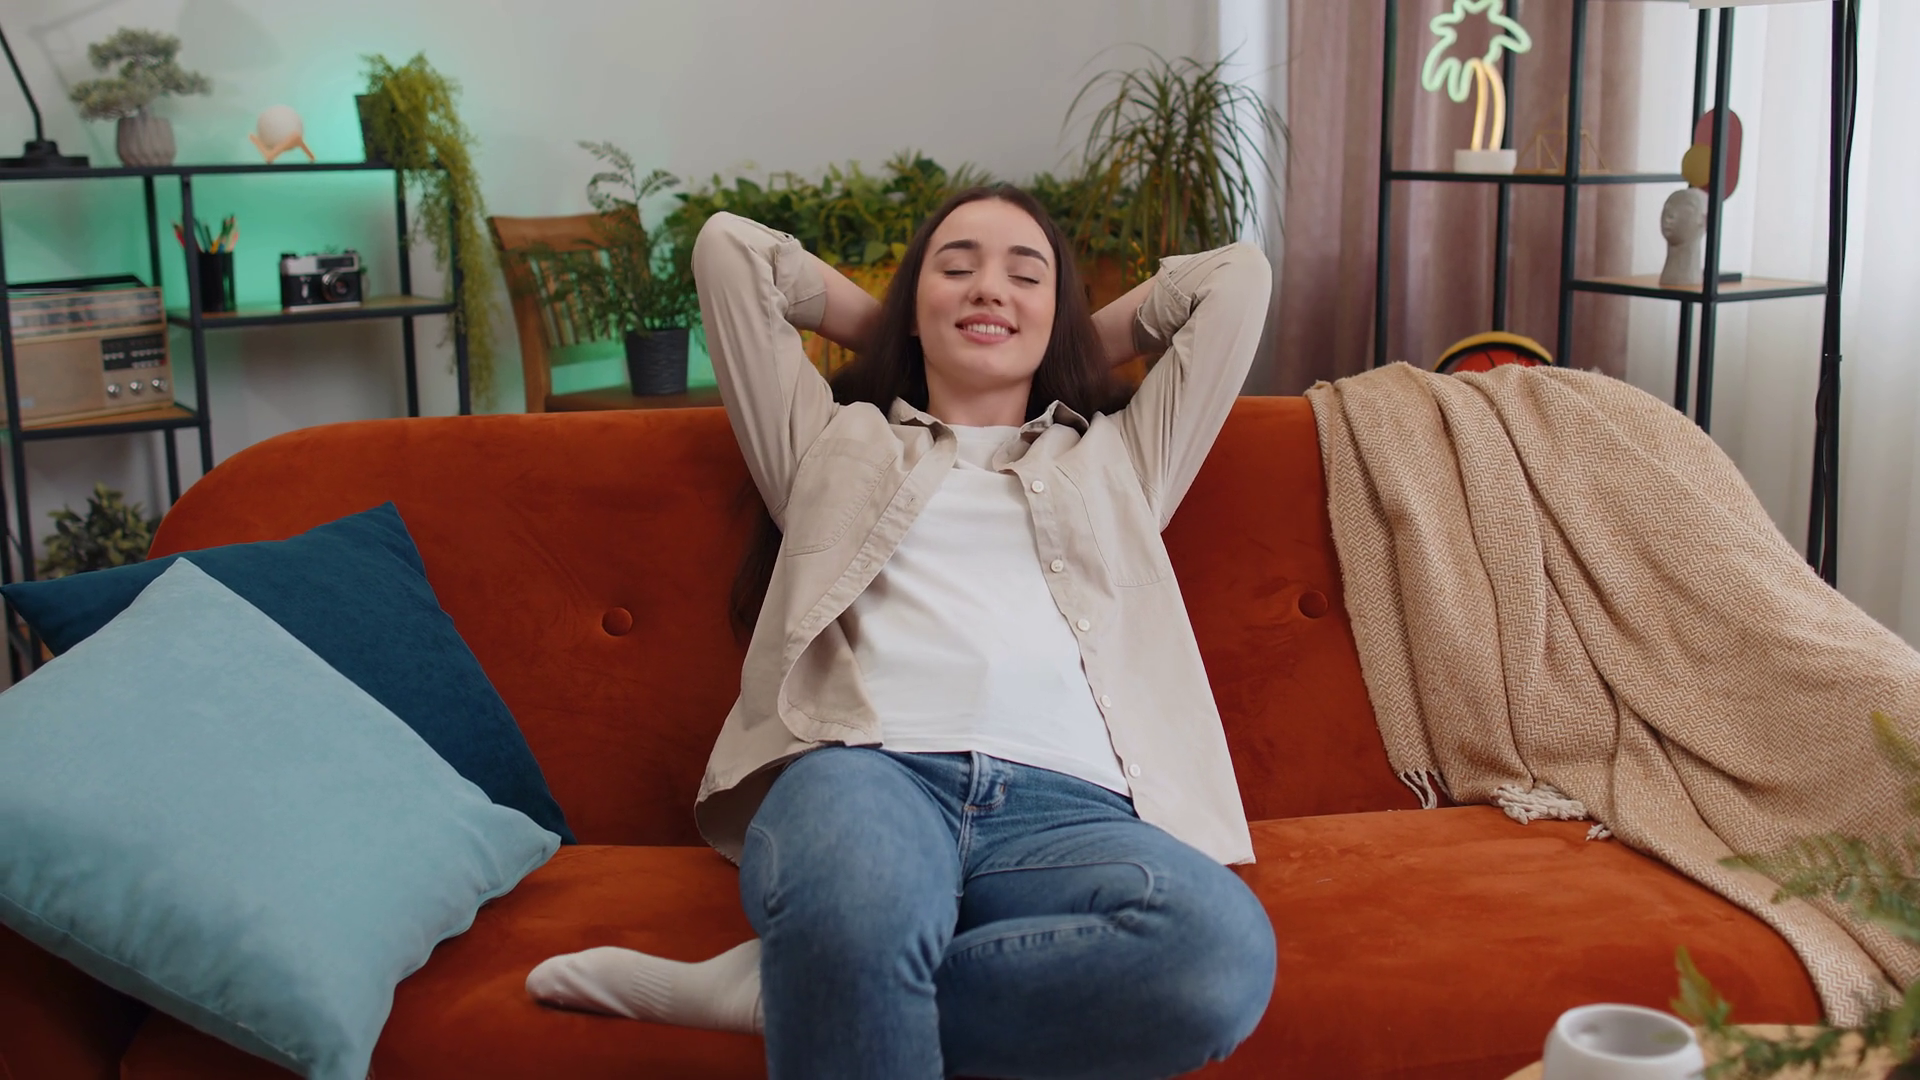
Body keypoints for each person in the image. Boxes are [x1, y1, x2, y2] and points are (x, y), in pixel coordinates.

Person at [527, 185, 1277, 1080]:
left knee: (1216, 957)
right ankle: (829, 966)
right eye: (955, 269)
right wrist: (908, 330)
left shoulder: (1120, 461)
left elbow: (1237, 278)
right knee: (857, 907)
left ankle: (803, 985)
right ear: (913, 305)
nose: (988, 287)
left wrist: (1058, 343)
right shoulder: (831, 445)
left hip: (1071, 810)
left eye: (1025, 276)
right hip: (870, 774)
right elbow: (730, 248)